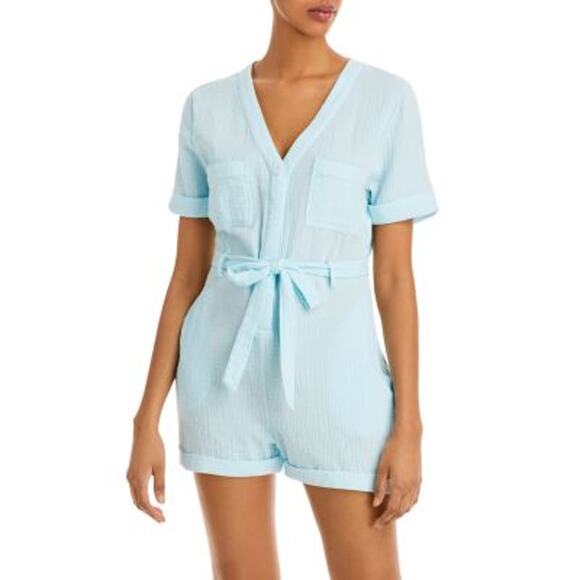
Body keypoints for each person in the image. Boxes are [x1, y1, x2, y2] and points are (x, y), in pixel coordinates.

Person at [127, 1, 438, 578]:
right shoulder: (207, 107)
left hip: (342, 388)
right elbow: (188, 275)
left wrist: (409, 427)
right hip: (222, 385)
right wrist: (146, 419)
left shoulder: (385, 101)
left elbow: (395, 280)